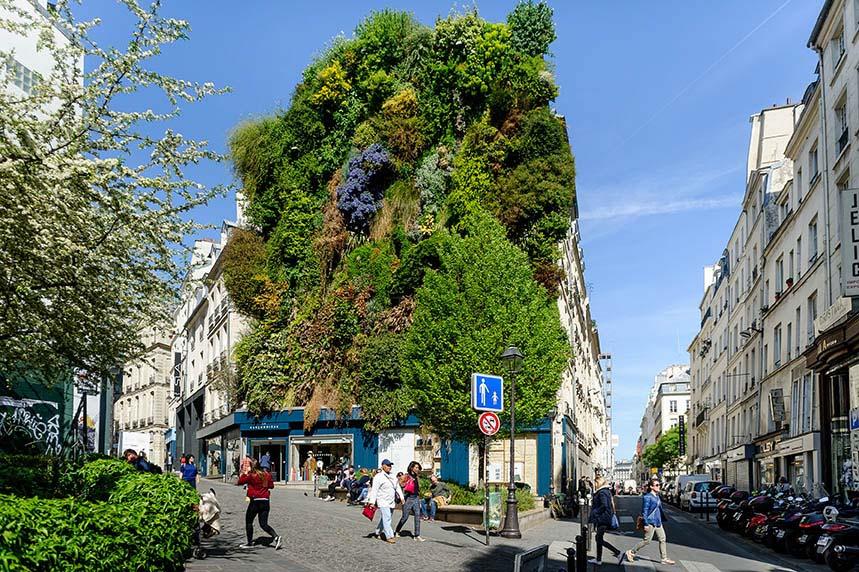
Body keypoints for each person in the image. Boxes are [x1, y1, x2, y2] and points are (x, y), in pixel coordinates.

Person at [624, 480, 675, 566]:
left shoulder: (657, 496)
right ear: (651, 487)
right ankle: (631, 552)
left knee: (662, 539)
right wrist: (646, 524)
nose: (659, 486)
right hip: (651, 522)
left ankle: (664, 558)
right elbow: (645, 511)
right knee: (647, 541)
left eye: (659, 485)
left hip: (658, 522)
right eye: (657, 485)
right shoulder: (647, 497)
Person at [237, 458, 282, 550]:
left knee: (249, 521)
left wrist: (244, 473)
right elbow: (271, 486)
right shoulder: (266, 474)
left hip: (255, 501)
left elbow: (240, 482)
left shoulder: (252, 476)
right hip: (265, 501)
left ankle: (249, 543)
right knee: (263, 524)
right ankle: (276, 537)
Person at [367, 459, 404, 544]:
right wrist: (372, 502)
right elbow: (374, 490)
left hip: (391, 501)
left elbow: (397, 487)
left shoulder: (393, 476)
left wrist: (401, 497)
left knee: (386, 518)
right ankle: (389, 536)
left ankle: (377, 532)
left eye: (390, 465)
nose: (389, 467)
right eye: (388, 465)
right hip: (382, 500)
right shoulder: (378, 477)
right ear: (383, 466)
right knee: (387, 518)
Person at [588, 476, 621, 565]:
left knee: (598, 538)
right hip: (604, 518)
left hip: (603, 518)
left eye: (595, 483)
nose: (594, 485)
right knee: (599, 538)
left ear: (598, 483)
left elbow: (604, 505)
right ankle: (598, 559)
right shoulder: (605, 491)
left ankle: (618, 552)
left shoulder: (602, 492)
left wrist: (595, 512)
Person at [395, 461, 424, 541]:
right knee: (405, 517)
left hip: (416, 498)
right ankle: (397, 531)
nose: (417, 469)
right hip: (408, 498)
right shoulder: (406, 476)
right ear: (412, 468)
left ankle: (417, 535)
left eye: (418, 468)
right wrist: (405, 485)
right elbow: (399, 485)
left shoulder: (417, 477)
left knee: (417, 516)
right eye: (416, 467)